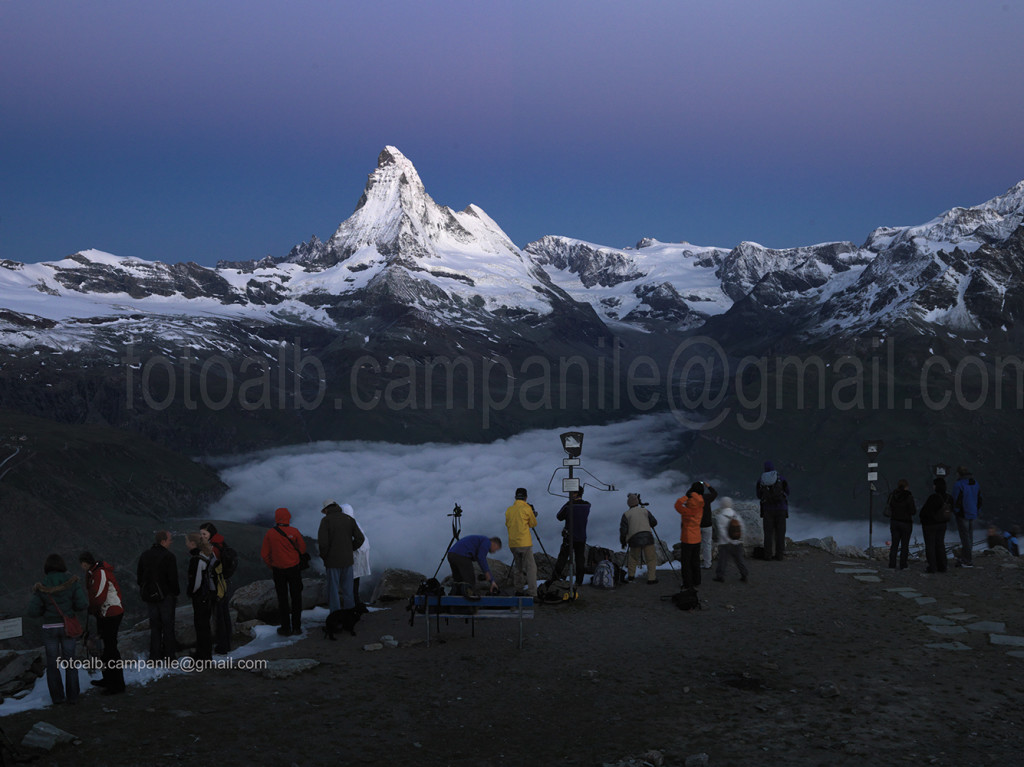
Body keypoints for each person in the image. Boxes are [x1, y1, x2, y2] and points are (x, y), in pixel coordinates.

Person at [27, 554, 88, 705]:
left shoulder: (42, 586)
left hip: (49, 628)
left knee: (52, 664)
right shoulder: (72, 583)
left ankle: (57, 697)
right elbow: (82, 604)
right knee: (70, 662)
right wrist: (69, 610)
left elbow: (32, 612)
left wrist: (46, 613)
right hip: (68, 628)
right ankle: (73, 696)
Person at [79, 551, 125, 694]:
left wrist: (92, 609)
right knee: (105, 648)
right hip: (104, 613)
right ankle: (108, 679)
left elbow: (99, 596)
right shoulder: (94, 573)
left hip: (111, 612)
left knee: (110, 649)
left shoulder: (100, 573)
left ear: (85, 563)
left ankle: (117, 684)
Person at [260, 507, 307, 636]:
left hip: (278, 570)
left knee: (282, 598)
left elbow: (264, 554)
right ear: (288, 517)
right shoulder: (294, 531)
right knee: (296, 597)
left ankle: (285, 628)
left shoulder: (270, 533)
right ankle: (297, 627)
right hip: (294, 569)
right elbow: (302, 549)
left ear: (276, 518)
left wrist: (272, 565)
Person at [318, 500, 366, 617]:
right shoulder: (349, 520)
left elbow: (323, 544)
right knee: (348, 590)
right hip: (348, 561)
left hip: (332, 562)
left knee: (333, 591)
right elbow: (360, 538)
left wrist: (325, 557)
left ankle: (336, 617)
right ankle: (350, 616)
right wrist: (350, 548)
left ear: (326, 510)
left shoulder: (326, 521)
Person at [136, 530, 179, 660]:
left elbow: (139, 576)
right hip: (166, 597)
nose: (171, 541)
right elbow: (173, 579)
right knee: (168, 626)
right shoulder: (169, 556)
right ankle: (169, 656)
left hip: (150, 597)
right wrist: (175, 593)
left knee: (154, 627)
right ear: (163, 541)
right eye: (169, 539)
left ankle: (154, 656)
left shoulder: (145, 555)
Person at [546, 487, 592, 588]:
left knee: (562, 558)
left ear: (575, 494)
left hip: (569, 537)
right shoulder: (587, 505)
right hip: (581, 537)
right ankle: (579, 581)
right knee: (580, 559)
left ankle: (555, 578)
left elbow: (559, 516)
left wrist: (569, 503)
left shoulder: (569, 506)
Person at [200, 522, 233, 654]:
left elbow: (209, 568)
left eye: (204, 534)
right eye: (200, 534)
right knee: (224, 614)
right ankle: (227, 642)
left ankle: (222, 646)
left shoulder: (212, 549)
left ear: (210, 534)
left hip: (215, 587)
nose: (201, 536)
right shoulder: (222, 543)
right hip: (224, 584)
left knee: (218, 616)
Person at [185, 533, 218, 661]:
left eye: (187, 542)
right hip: (208, 595)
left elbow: (196, 582)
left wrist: (191, 592)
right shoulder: (208, 555)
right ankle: (205, 654)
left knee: (201, 626)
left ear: (193, 544)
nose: (186, 544)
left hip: (200, 597)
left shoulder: (197, 559)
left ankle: (203, 657)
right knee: (205, 625)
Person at [505, 487, 539, 598]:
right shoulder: (527, 508)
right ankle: (532, 592)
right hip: (524, 543)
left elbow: (507, 524)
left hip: (513, 544)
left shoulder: (509, 510)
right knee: (531, 568)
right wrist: (533, 514)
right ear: (525, 497)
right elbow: (533, 524)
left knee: (518, 567)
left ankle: (518, 590)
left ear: (515, 497)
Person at [619, 492, 659, 584]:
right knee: (651, 558)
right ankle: (651, 578)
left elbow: (623, 530)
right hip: (648, 537)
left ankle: (631, 576)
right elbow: (654, 523)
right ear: (637, 502)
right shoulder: (645, 511)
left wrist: (623, 541)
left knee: (633, 557)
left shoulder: (626, 514)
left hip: (634, 538)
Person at [756, 461, 790, 560]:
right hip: (781, 509)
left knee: (768, 533)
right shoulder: (781, 478)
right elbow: (788, 491)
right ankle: (779, 555)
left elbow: (759, 495)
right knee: (780, 533)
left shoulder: (761, 480)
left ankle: (768, 555)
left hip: (767, 510)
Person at [918, 477, 953, 573]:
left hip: (930, 525)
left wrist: (922, 519)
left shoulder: (933, 497)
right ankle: (942, 565)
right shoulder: (948, 497)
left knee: (930, 546)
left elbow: (925, 512)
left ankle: (932, 566)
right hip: (942, 524)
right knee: (940, 544)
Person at [674, 482, 705, 590]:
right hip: (697, 537)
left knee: (686, 563)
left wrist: (686, 497)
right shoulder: (701, 503)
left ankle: (688, 583)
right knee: (695, 561)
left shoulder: (688, 509)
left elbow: (677, 505)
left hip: (687, 538)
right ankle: (697, 580)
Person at [340, 504, 371, 608]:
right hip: (361, 551)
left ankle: (353, 602)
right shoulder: (354, 522)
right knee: (355, 577)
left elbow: (356, 539)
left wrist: (349, 549)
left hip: (356, 553)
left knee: (351, 578)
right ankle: (355, 600)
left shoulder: (347, 523)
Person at [712, 497, 749, 583]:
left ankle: (720, 576)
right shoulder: (736, 515)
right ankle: (744, 574)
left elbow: (721, 531)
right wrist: (740, 539)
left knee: (722, 560)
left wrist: (727, 540)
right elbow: (742, 527)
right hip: (737, 542)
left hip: (725, 543)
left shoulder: (720, 517)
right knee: (739, 560)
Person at [953, 466, 982, 567]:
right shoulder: (975, 483)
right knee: (970, 536)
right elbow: (979, 498)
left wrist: (956, 511)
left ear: (959, 473)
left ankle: (967, 560)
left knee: (965, 537)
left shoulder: (959, 484)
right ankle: (967, 558)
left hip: (962, 513)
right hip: (973, 512)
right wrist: (977, 510)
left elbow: (956, 500)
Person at [886, 479, 917, 570]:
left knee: (894, 544)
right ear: (906, 486)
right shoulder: (909, 496)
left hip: (894, 521)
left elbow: (889, 506)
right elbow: (913, 511)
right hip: (906, 522)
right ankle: (903, 564)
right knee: (905, 545)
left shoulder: (892, 495)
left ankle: (892, 564)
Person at [700, 482, 719, 569]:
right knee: (707, 544)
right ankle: (707, 564)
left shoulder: (692, 499)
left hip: (695, 525)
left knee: (694, 544)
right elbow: (715, 493)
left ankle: (694, 563)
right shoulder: (707, 498)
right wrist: (709, 486)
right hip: (707, 524)